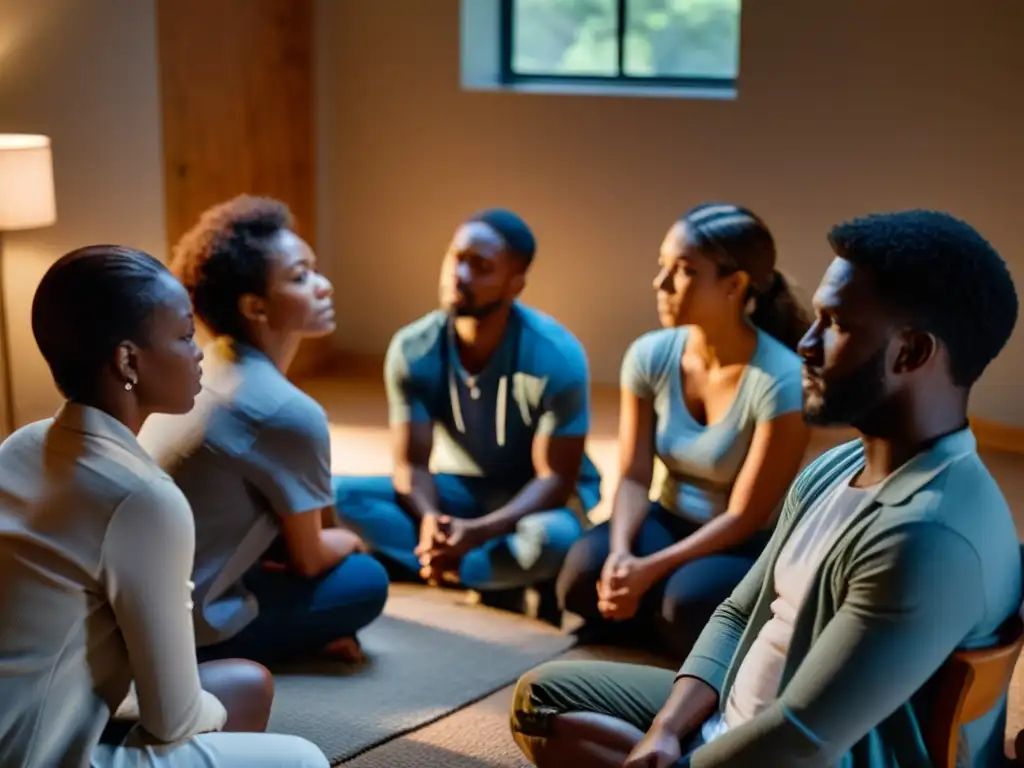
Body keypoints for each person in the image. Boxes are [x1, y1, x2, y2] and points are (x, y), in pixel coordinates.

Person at [509, 209, 1022, 768]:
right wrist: (665, 729)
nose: (806, 342)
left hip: (803, 757)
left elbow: (802, 736)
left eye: (836, 324)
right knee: (541, 700)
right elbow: (737, 612)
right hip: (736, 716)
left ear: (912, 353)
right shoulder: (839, 464)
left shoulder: (929, 534)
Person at [0, 246, 328, 767]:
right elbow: (171, 720)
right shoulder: (145, 499)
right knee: (303, 758)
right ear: (128, 361)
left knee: (246, 684)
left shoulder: (22, 444)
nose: (199, 352)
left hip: (44, 709)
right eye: (182, 337)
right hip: (38, 753)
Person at [138, 196, 388, 665]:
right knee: (365, 579)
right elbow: (309, 560)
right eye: (300, 277)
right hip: (191, 627)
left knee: (339, 505)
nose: (324, 286)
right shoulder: (286, 411)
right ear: (255, 306)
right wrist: (354, 541)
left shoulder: (206, 368)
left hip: (144, 600)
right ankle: (286, 641)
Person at [556, 203, 811, 658]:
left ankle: (655, 618)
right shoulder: (650, 355)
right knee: (581, 575)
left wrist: (649, 570)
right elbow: (634, 475)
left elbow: (745, 517)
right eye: (663, 267)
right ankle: (646, 612)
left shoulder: (781, 380)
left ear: (735, 285)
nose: (661, 284)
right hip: (668, 517)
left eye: (685, 271)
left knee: (685, 606)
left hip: (740, 542)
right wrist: (620, 555)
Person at [333, 209, 601, 621]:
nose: (459, 274)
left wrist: (479, 532)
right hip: (462, 492)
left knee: (555, 541)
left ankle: (452, 564)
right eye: (455, 258)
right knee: (335, 496)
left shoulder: (555, 357)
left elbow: (554, 480)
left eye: (481, 267)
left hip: (537, 501)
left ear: (515, 285)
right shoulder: (413, 348)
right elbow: (411, 464)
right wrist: (429, 520)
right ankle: (480, 569)